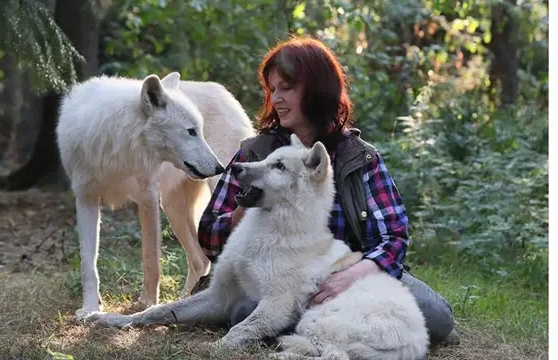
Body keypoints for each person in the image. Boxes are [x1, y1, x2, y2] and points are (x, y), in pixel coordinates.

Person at [193, 35, 459, 347]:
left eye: (286, 88)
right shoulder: (256, 154)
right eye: (273, 89)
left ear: (317, 89)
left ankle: (320, 327)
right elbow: (210, 236)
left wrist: (350, 277)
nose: (276, 98)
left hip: (353, 274)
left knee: (437, 315)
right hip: (278, 278)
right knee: (248, 310)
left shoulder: (360, 157)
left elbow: (394, 237)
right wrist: (242, 212)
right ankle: (309, 329)